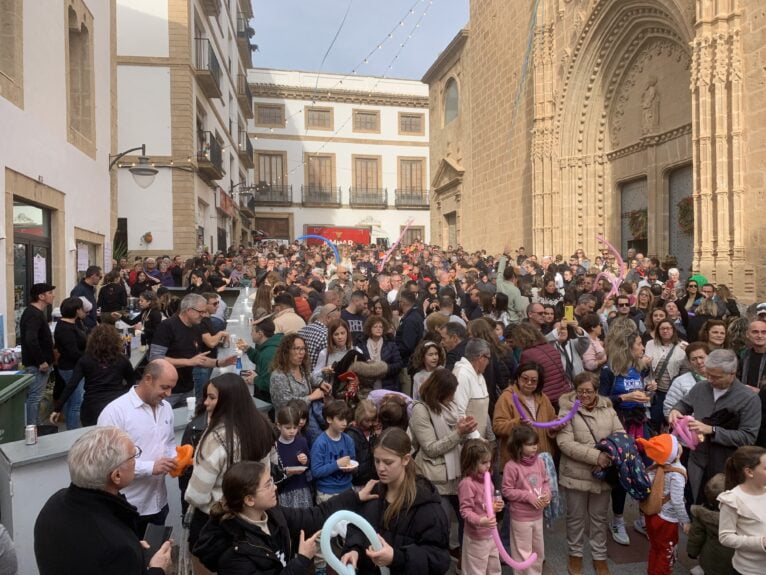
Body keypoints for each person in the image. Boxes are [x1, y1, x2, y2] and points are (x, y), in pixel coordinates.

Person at [192, 460, 379, 575]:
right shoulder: (234, 553)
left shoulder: (272, 514)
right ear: (249, 500)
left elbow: (314, 516)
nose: (274, 487)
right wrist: (302, 559)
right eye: (267, 485)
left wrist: (355, 496)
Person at [34, 427, 172, 575]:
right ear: (116, 476)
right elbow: (106, 549)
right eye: (133, 456)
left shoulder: (55, 503)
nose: (135, 461)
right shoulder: (115, 547)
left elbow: (82, 553)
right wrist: (159, 569)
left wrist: (132, 548)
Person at [185, 373, 275, 575]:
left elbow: (196, 495)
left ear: (227, 400)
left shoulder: (216, 437)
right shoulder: (261, 428)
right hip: (251, 521)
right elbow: (264, 476)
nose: (206, 403)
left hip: (215, 526)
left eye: (212, 397)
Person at [339, 427, 451, 574]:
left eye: (388, 462)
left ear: (405, 459)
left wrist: (396, 558)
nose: (381, 468)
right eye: (377, 461)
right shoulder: (372, 493)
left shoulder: (427, 506)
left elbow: (438, 560)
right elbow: (357, 528)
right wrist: (354, 550)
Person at [668, 349, 762, 503]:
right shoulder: (701, 388)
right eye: (708, 374)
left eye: (716, 377)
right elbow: (684, 403)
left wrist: (712, 430)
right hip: (697, 461)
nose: (710, 380)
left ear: (732, 374)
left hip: (725, 468)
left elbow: (747, 437)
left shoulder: (749, 399)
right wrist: (676, 410)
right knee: (694, 504)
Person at [96, 359, 178, 534]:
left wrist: (175, 460)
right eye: (164, 387)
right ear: (147, 379)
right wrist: (151, 468)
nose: (169, 393)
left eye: (171, 388)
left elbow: (169, 442)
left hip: (159, 502)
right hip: (128, 507)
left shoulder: (167, 409)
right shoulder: (115, 412)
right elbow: (107, 462)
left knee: (156, 557)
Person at [557, 372, 624, 575]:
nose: (584, 395)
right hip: (576, 473)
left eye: (588, 391)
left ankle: (599, 556)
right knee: (575, 517)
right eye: (580, 391)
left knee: (599, 517)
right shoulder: (566, 410)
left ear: (597, 391)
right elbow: (565, 443)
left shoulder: (608, 408)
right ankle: (575, 554)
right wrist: (597, 457)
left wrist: (609, 457)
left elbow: (620, 435)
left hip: (602, 473)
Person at [410, 368, 478, 552]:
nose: (452, 397)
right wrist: (458, 433)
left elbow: (456, 439)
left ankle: (463, 558)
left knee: (469, 518)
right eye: (449, 393)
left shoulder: (451, 407)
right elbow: (431, 448)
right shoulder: (420, 410)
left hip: (457, 474)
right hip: (435, 477)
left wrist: (467, 430)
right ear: (439, 391)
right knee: (443, 522)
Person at [599, 329, 655, 543]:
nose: (643, 348)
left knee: (646, 470)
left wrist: (650, 392)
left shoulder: (640, 368)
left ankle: (642, 516)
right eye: (639, 344)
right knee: (622, 472)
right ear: (627, 348)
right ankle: (619, 520)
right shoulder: (609, 371)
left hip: (641, 425)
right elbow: (601, 402)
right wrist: (625, 397)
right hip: (619, 426)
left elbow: (647, 399)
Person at [150, 293, 235, 403]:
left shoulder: (196, 328)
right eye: (201, 312)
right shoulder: (167, 326)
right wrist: (188, 362)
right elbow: (155, 358)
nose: (204, 315)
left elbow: (198, 359)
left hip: (188, 389)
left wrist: (219, 363)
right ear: (189, 310)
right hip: (166, 391)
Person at [50, 324, 137, 426]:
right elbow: (132, 382)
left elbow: (71, 385)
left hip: (91, 407)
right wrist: (121, 394)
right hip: (116, 405)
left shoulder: (85, 360)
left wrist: (58, 407)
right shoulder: (122, 359)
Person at [635, 434, 689, 575]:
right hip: (667, 520)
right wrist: (685, 521)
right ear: (675, 453)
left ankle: (652, 571)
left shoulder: (654, 466)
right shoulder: (678, 473)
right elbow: (677, 500)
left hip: (651, 514)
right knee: (666, 552)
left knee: (655, 547)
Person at [502, 424, 551, 575]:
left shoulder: (540, 462)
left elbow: (545, 481)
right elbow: (507, 491)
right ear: (518, 446)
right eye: (529, 444)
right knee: (522, 552)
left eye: (535, 443)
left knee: (538, 550)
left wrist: (547, 494)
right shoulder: (511, 467)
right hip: (521, 517)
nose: (534, 447)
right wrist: (528, 496)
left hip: (537, 515)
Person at [493, 362, 558, 466]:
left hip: (542, 459)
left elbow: (552, 420)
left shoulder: (543, 397)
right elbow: (497, 426)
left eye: (533, 381)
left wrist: (555, 427)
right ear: (518, 378)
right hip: (518, 462)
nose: (528, 383)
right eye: (525, 379)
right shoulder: (506, 397)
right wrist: (518, 423)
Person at [718, 445, 766, 575]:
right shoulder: (732, 499)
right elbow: (725, 537)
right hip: (749, 570)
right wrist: (761, 542)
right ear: (749, 472)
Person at [458, 439, 504, 575]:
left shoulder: (488, 479)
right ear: (471, 463)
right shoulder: (467, 484)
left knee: (494, 568)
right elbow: (465, 511)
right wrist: (480, 520)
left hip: (491, 534)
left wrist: (496, 505)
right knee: (476, 570)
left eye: (489, 461)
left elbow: (488, 503)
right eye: (484, 463)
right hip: (475, 538)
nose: (488, 466)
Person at [20, 282, 56, 427]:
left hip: (40, 363)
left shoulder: (36, 313)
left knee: (36, 397)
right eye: (49, 293)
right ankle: (32, 428)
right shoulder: (33, 314)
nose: (52, 295)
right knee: (34, 397)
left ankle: (35, 425)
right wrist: (41, 361)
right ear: (41, 296)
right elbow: (31, 339)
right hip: (37, 365)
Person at [686, 473, 734, 575]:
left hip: (710, 559)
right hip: (735, 562)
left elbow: (696, 536)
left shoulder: (702, 515)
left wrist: (692, 552)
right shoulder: (742, 516)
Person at [310, 400, 356, 502]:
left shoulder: (348, 440)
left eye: (346, 419)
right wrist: (337, 464)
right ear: (329, 419)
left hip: (347, 488)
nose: (345, 423)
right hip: (327, 492)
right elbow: (316, 471)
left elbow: (353, 462)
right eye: (340, 419)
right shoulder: (320, 443)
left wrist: (351, 468)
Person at [645, 319, 687, 430]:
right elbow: (644, 364)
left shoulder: (683, 345)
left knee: (672, 421)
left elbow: (687, 367)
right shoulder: (650, 344)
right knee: (655, 419)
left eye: (668, 328)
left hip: (673, 390)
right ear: (658, 331)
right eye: (662, 328)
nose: (665, 331)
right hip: (656, 390)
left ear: (673, 330)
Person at [53, 296, 88, 429]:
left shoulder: (72, 324)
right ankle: (72, 431)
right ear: (76, 310)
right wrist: (88, 359)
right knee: (76, 402)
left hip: (72, 366)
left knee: (71, 400)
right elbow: (72, 352)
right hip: (70, 367)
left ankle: (70, 427)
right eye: (81, 308)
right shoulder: (65, 328)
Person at [452, 339, 492, 440]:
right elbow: (458, 413)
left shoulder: (479, 375)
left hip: (479, 441)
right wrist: (477, 437)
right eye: (488, 358)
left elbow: (483, 410)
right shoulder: (462, 375)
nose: (488, 362)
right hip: (466, 442)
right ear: (481, 357)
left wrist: (490, 436)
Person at [274, 404, 312, 509]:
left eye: (295, 428)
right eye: (288, 428)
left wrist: (305, 461)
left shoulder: (301, 442)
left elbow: (309, 465)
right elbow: (274, 472)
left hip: (301, 488)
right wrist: (286, 471)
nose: (292, 431)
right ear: (278, 426)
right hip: (284, 491)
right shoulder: (275, 445)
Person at [238, 316, 283, 402]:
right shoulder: (273, 344)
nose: (251, 334)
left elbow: (268, 384)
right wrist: (248, 349)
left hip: (270, 400)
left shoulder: (268, 354)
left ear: (260, 334)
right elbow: (260, 360)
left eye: (252, 331)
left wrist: (255, 379)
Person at [662, 342, 710, 418]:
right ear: (689, 362)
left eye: (701, 357)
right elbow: (668, 410)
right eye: (694, 359)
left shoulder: (722, 379)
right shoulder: (680, 382)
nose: (699, 362)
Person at [360, 316, 403, 391]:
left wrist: (384, 368)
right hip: (367, 386)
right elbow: (358, 365)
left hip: (388, 385)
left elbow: (399, 364)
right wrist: (366, 366)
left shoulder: (391, 345)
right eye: (375, 326)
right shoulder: (362, 345)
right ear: (369, 328)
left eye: (381, 327)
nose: (379, 329)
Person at [297, 304, 339, 369]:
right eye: (337, 320)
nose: (338, 325)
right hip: (318, 377)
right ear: (328, 318)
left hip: (302, 375)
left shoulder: (302, 330)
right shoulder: (327, 335)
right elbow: (329, 364)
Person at [396, 290, 426, 374]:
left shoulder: (410, 320)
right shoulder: (416, 315)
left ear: (403, 302)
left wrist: (393, 349)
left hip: (407, 364)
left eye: (399, 302)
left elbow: (407, 345)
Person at [71, 265, 101, 331]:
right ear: (93, 276)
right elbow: (74, 309)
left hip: (91, 326)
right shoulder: (79, 290)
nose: (100, 279)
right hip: (85, 328)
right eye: (100, 277)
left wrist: (95, 321)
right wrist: (86, 324)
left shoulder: (90, 289)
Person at [739, 319, 766, 389]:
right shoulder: (744, 356)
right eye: (755, 332)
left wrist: (760, 392)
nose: (760, 336)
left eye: (764, 332)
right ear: (747, 334)